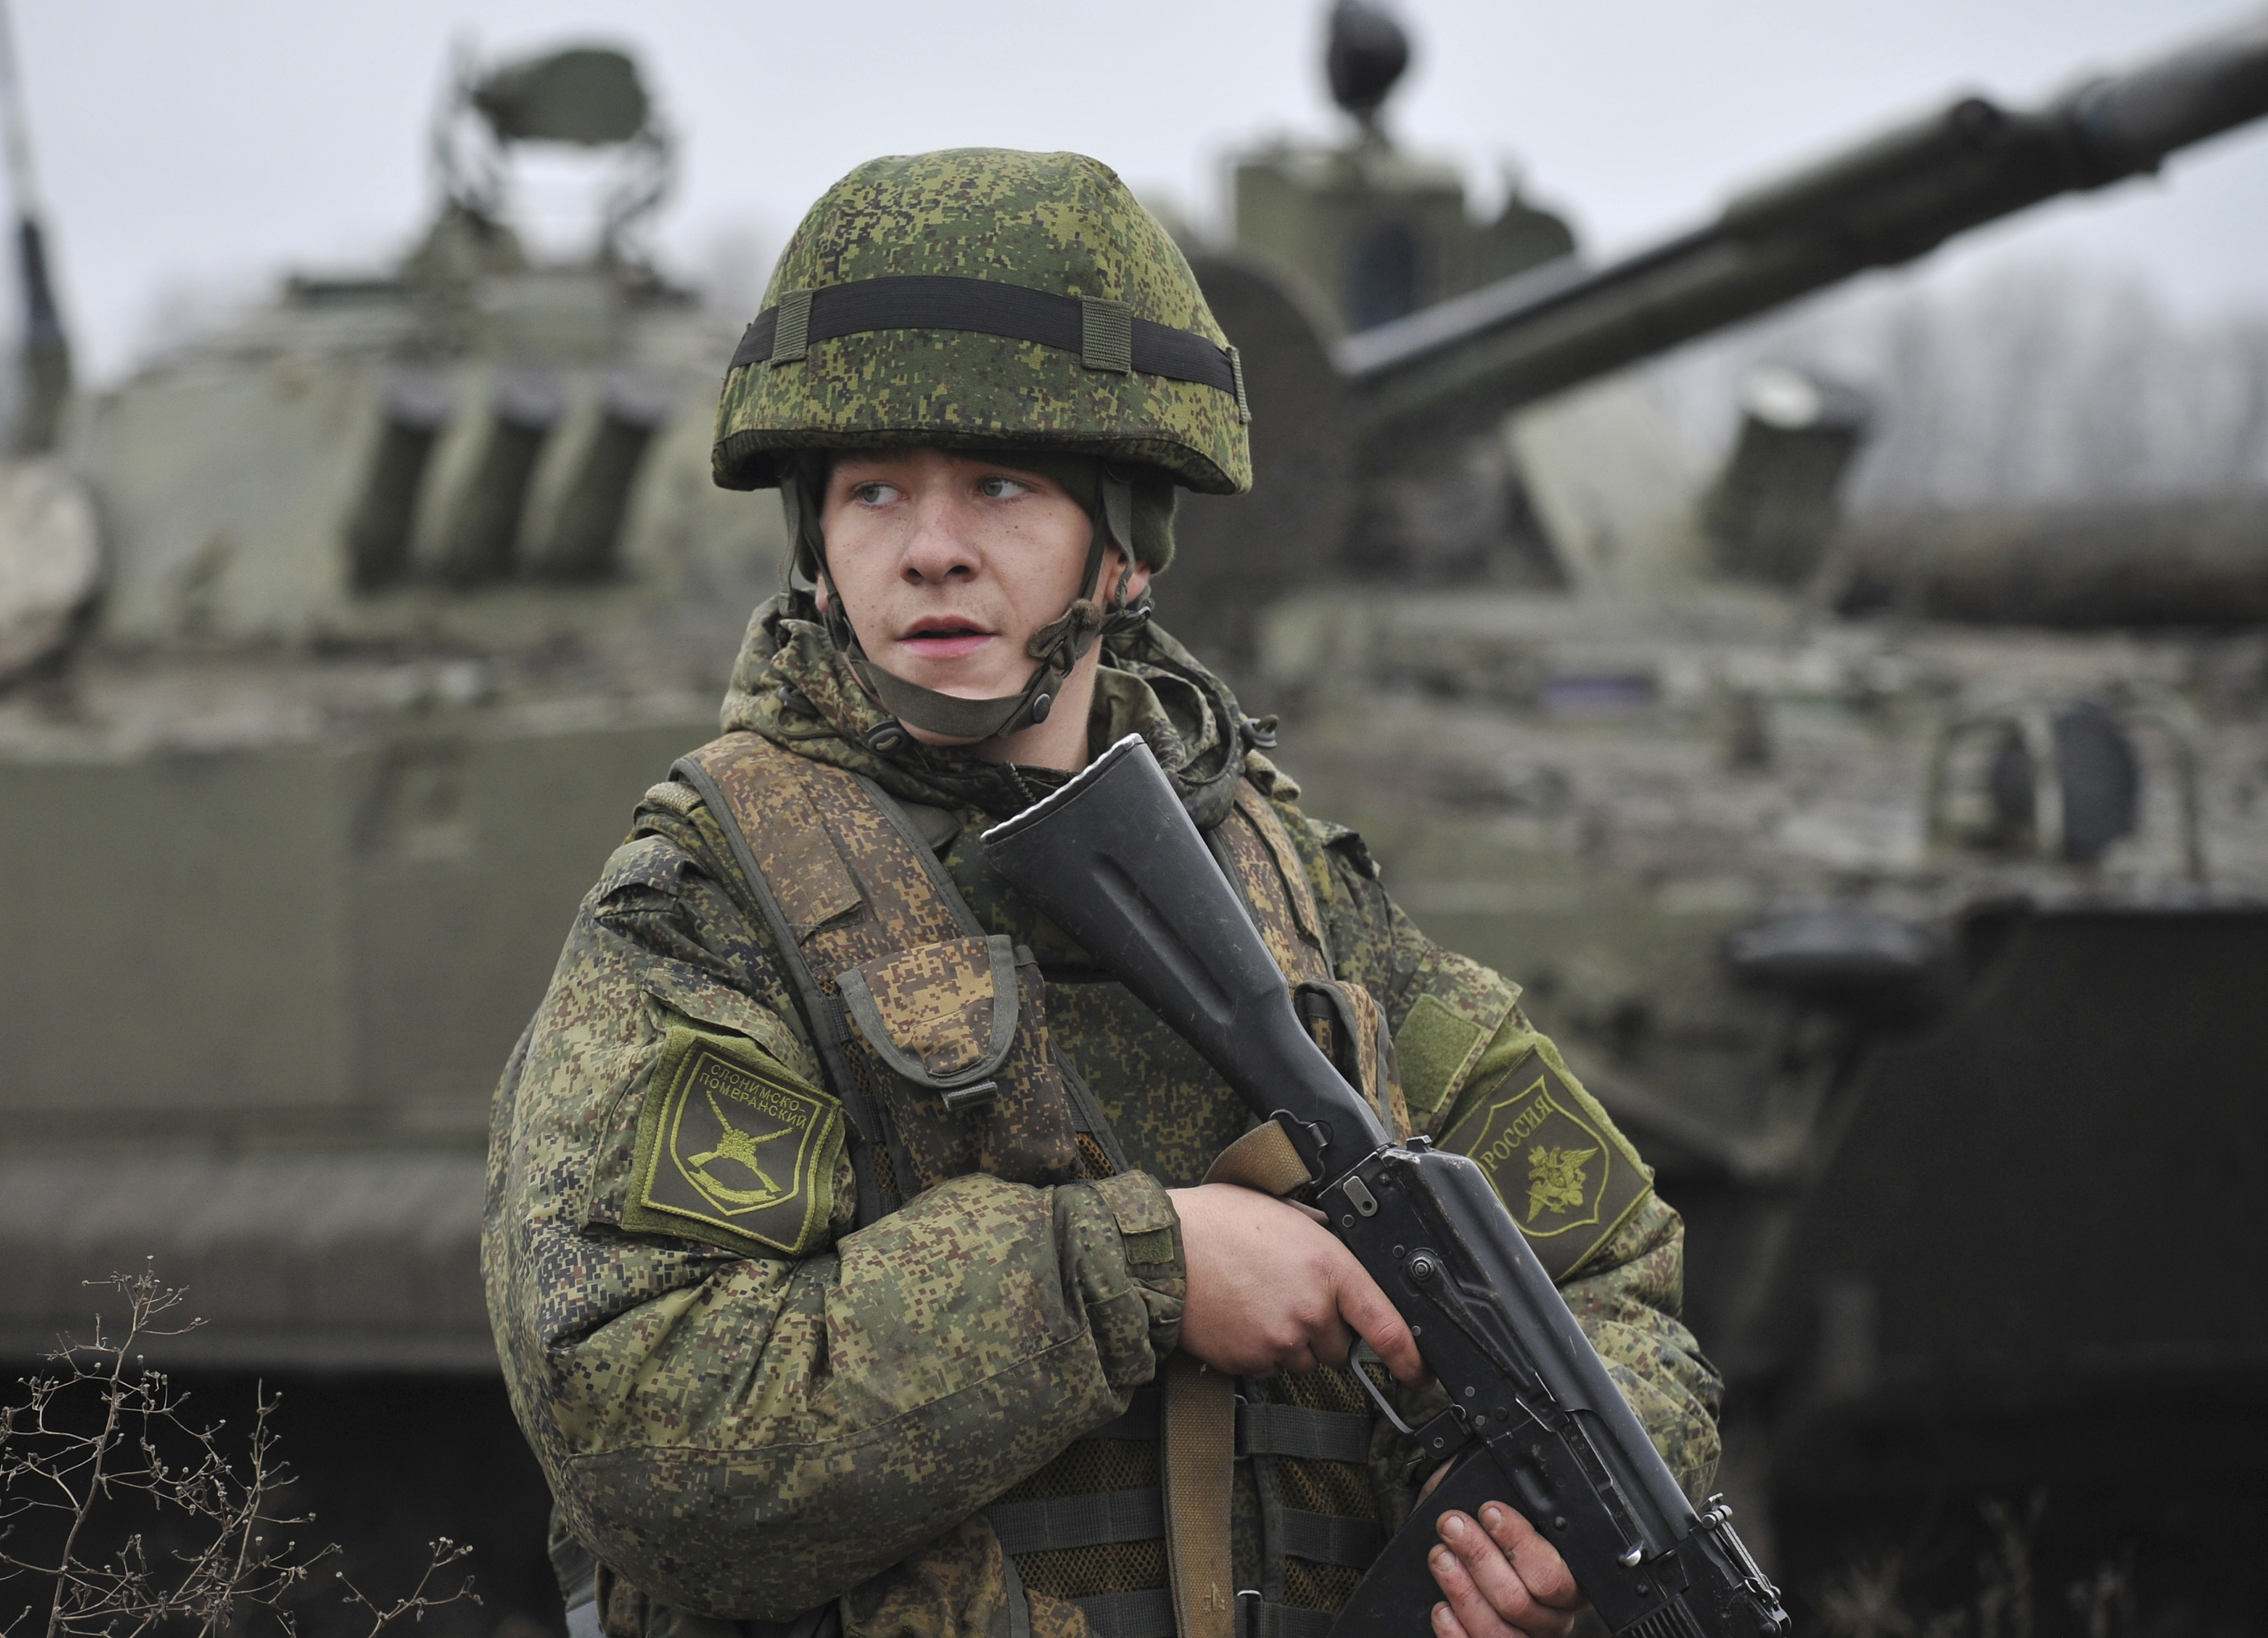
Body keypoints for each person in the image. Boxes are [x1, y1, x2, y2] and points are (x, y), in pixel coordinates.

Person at [484, 149, 1721, 1638]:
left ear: (1123, 549)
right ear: (816, 543)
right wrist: (1143, 1268)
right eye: (874, 491)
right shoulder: (712, 903)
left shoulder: (1282, 884)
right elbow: (641, 1426)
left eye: (999, 486)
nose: (930, 545)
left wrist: (1536, 1522)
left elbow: (1606, 1274)